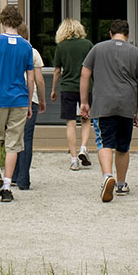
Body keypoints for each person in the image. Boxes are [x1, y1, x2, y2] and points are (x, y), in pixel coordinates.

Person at [79, 19, 138, 201]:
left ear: (110, 33)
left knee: (105, 142)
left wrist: (84, 101)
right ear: (128, 34)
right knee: (123, 147)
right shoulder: (137, 53)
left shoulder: (97, 49)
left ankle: (107, 176)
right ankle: (121, 183)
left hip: (103, 104)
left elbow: (85, 74)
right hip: (127, 105)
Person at [0, 4, 35, 202]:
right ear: (19, 23)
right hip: (19, 99)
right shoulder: (27, 46)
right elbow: (30, 77)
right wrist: (29, 103)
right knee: (14, 144)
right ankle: (7, 186)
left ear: (2, 22)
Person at [50, 18, 94, 170]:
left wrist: (54, 89)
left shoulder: (61, 47)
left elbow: (57, 70)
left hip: (67, 87)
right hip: (86, 87)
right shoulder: (87, 44)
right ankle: (83, 147)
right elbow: (93, 67)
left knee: (70, 122)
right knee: (86, 119)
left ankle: (74, 159)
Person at [10, 23, 48, 190]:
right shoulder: (33, 52)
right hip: (28, 98)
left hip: (10, 97)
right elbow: (38, 79)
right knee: (26, 138)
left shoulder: (7, 51)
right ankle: (23, 180)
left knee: (12, 137)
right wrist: (42, 99)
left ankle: (12, 174)